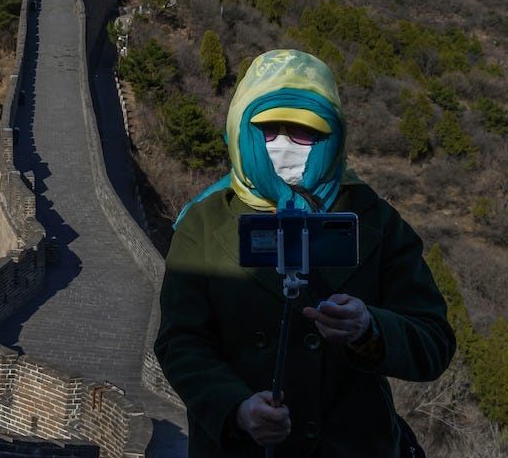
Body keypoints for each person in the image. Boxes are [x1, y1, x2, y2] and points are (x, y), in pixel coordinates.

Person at [154, 49, 456, 456]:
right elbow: (181, 341)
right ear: (241, 130)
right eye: (268, 130)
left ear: (332, 135)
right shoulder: (203, 222)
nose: (283, 146)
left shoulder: (374, 220)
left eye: (304, 134)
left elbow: (433, 340)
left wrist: (370, 329)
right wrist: (237, 408)